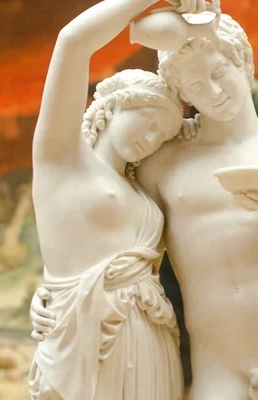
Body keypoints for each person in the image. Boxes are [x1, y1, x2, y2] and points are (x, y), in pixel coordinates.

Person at [33, 1, 258, 399]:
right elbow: (100, 227)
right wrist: (56, 292)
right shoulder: (161, 162)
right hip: (215, 360)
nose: (214, 92)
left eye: (219, 73)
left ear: (244, 63)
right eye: (195, 87)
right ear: (182, 95)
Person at [26, 0, 187, 399]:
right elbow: (72, 42)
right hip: (88, 340)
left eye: (162, 136)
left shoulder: (141, 190)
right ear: (114, 106)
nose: (152, 138)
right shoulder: (62, 159)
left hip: (151, 339)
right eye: (149, 122)